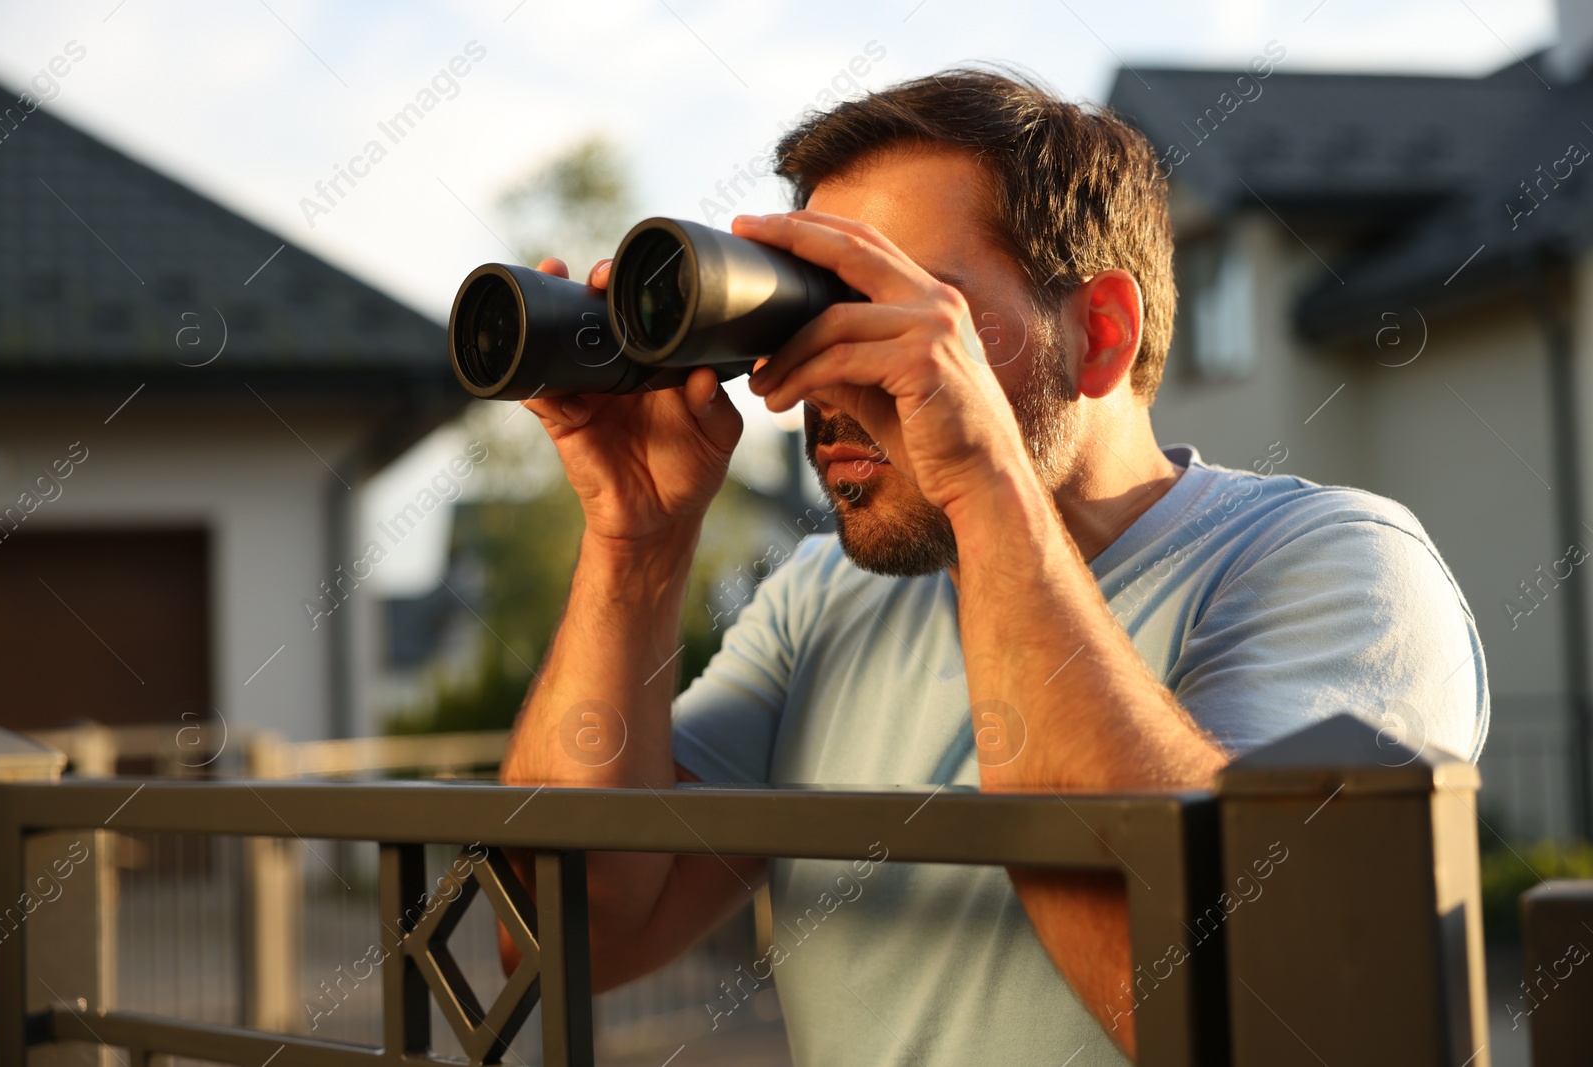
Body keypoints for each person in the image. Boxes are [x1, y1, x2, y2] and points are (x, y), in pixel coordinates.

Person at [499, 68, 1488, 1065]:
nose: (823, 385)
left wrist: (983, 482)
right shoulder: (820, 601)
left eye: (897, 311)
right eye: (807, 319)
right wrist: (636, 543)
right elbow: (562, 931)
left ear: (1099, 334)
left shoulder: (1333, 565)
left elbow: (1249, 1006)